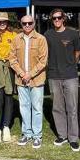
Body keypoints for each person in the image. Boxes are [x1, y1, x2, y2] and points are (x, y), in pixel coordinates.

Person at [46, 8, 80, 151]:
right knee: (57, 107)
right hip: (54, 76)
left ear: (63, 19)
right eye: (54, 18)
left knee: (72, 107)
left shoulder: (73, 33)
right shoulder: (48, 34)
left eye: (58, 18)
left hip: (70, 76)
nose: (56, 20)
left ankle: (73, 138)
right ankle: (62, 135)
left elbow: (78, 51)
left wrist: (71, 64)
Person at [9, 15, 48, 149]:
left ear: (34, 23)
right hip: (21, 80)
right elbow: (12, 59)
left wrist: (30, 74)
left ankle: (37, 136)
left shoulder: (41, 39)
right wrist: (22, 74)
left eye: (29, 23)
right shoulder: (16, 39)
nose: (27, 25)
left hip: (37, 80)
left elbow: (43, 61)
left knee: (37, 108)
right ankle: (26, 133)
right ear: (21, 24)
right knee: (24, 107)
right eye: (24, 23)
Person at [0, 12, 17, 144]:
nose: (2, 23)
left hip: (10, 68)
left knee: (9, 97)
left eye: (4, 21)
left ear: (7, 22)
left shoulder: (14, 35)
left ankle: (6, 126)